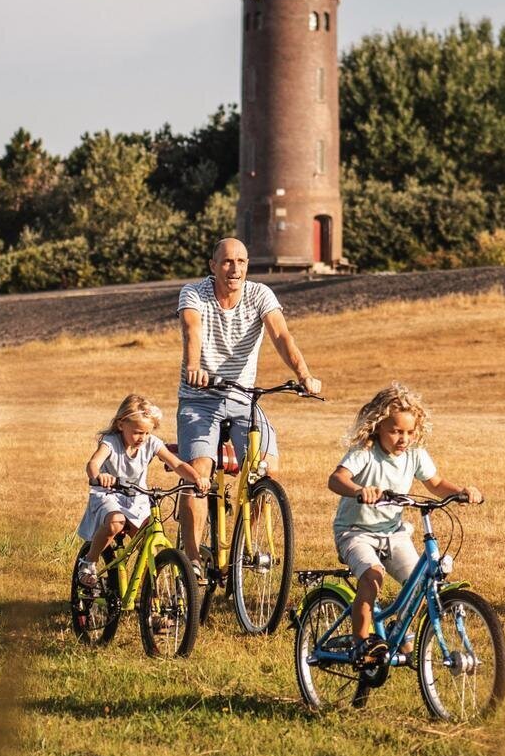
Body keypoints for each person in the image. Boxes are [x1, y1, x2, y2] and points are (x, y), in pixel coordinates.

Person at [176, 238, 322, 573]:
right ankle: (193, 559)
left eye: (241, 261)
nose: (235, 268)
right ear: (212, 266)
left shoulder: (260, 294)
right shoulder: (194, 293)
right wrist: (194, 366)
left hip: (242, 397)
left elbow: (281, 336)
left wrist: (304, 374)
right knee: (198, 473)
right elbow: (191, 330)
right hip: (201, 397)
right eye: (227, 262)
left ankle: (244, 543)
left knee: (266, 469)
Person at [327, 383, 483, 667]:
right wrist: (359, 491)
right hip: (355, 532)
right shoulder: (366, 451)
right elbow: (336, 479)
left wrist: (460, 491)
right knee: (372, 577)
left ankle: (403, 636)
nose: (404, 439)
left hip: (393, 533)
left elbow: (435, 484)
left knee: (420, 583)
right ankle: (363, 644)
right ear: (377, 427)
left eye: (409, 432)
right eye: (396, 431)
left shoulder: (415, 454)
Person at [75, 394, 207, 591]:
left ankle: (148, 595)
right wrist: (99, 477)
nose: (142, 438)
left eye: (146, 433)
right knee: (115, 523)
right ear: (121, 425)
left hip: (137, 497)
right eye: (137, 433)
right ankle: (89, 562)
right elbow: (93, 463)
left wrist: (197, 477)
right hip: (109, 494)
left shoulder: (151, 443)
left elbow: (177, 463)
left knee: (148, 541)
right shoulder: (111, 442)